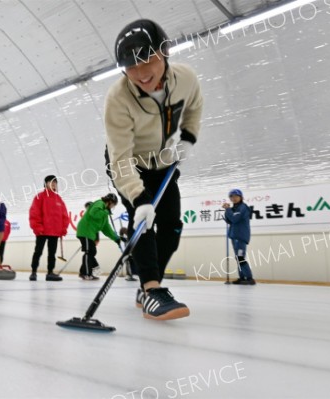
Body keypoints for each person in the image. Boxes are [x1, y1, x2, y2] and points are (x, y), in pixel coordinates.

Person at [104, 19, 203, 320]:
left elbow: (195, 106)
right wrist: (138, 198)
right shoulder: (118, 98)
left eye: (147, 59)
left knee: (172, 227)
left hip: (163, 161)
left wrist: (188, 137)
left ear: (164, 52)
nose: (140, 73)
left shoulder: (185, 78)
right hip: (128, 163)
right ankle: (151, 288)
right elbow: (120, 158)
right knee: (144, 223)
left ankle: (148, 287)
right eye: (130, 67)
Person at [29, 175, 69, 281]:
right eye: (51, 182)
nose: (53, 184)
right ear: (45, 184)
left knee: (52, 253)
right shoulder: (40, 197)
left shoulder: (58, 199)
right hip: (42, 231)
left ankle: (50, 273)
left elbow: (64, 215)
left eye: (55, 182)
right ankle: (33, 272)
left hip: (55, 232)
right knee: (38, 252)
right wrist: (37, 227)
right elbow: (34, 213)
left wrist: (63, 228)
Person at [76, 194, 121, 280]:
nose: (112, 207)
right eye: (113, 205)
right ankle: (86, 273)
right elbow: (94, 213)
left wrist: (116, 238)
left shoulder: (104, 214)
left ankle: (84, 272)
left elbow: (106, 228)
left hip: (90, 233)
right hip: (85, 231)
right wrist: (106, 212)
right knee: (89, 252)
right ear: (109, 202)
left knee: (92, 252)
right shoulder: (100, 203)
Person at [223, 189, 256, 285]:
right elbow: (229, 220)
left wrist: (228, 210)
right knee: (238, 257)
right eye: (231, 197)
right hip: (234, 235)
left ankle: (249, 278)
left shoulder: (243, 207)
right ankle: (242, 277)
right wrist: (227, 210)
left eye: (236, 196)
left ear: (241, 197)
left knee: (240, 257)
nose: (233, 198)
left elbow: (234, 219)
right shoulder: (235, 208)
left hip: (240, 236)